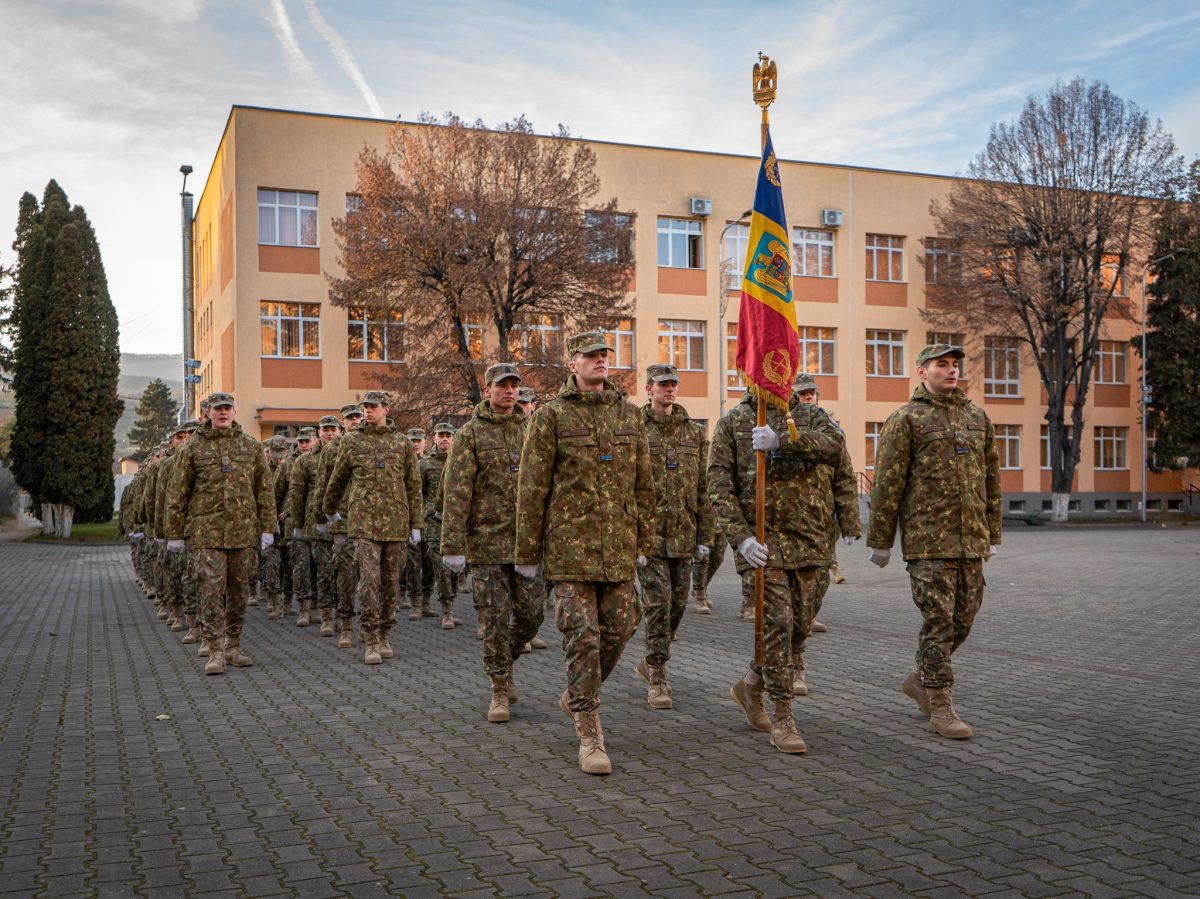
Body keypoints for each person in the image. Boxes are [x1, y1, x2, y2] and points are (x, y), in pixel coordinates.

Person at [515, 332, 655, 775]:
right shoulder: (551, 416)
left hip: (618, 547)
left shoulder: (629, 414)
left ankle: (579, 691)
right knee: (583, 637)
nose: (599, 361)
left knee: (622, 626)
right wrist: (527, 551)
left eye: (603, 355)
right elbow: (532, 487)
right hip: (569, 549)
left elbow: (644, 483)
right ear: (572, 363)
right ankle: (590, 733)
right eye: (590, 355)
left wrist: (645, 541)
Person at [867, 344, 1001, 739]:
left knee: (964, 619)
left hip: (971, 540)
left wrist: (992, 532)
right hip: (928, 541)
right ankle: (940, 705)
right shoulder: (905, 419)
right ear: (922, 371)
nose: (951, 370)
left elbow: (991, 479)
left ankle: (921, 677)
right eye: (941, 364)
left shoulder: (977, 417)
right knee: (938, 621)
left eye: (954, 364)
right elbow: (888, 482)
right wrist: (881, 540)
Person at [708, 375, 847, 755]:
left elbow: (836, 447)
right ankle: (783, 716)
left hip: (811, 541)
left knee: (798, 629)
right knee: (778, 626)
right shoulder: (732, 423)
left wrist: (783, 440)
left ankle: (750, 684)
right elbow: (718, 486)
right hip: (762, 544)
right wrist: (741, 538)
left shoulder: (812, 416)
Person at [441, 362, 544, 723]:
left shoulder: (533, 430)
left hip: (527, 544)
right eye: (502, 385)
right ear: (487, 391)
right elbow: (456, 490)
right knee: (495, 621)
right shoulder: (469, 434)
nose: (510, 390)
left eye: (514, 385)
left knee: (532, 616)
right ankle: (499, 686)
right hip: (486, 543)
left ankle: (506, 661)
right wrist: (452, 544)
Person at [162, 393, 276, 675]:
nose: (223, 413)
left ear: (234, 412)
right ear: (207, 414)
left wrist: (268, 527)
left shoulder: (250, 446)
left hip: (242, 531)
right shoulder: (192, 448)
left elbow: (264, 490)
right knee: (210, 591)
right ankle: (214, 649)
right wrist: (173, 533)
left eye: (227, 409)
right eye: (217, 409)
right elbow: (177, 493)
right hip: (206, 532)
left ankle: (233, 645)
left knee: (239, 591)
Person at [633, 363, 714, 709]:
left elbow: (703, 488)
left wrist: (705, 536)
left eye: (673, 384)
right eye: (662, 384)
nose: (669, 389)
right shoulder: (633, 428)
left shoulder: (693, 433)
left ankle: (653, 659)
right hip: (649, 536)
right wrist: (632, 536)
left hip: (683, 534)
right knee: (658, 605)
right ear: (649, 389)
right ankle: (658, 675)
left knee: (677, 607)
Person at [322, 391, 422, 665]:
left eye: (373, 406)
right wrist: (329, 509)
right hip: (364, 522)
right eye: (365, 407)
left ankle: (386, 633)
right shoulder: (352, 441)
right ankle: (371, 639)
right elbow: (338, 478)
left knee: (390, 583)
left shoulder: (402, 443)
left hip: (395, 522)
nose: (368, 411)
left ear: (386, 409)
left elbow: (413, 486)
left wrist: (416, 524)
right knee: (368, 582)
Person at [787, 373, 861, 694]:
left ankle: (803, 628)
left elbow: (844, 476)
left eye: (811, 393)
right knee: (782, 607)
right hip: (784, 527)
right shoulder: (781, 423)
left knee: (814, 591)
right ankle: (791, 664)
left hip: (819, 526)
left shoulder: (829, 427)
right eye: (802, 393)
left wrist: (850, 523)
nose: (808, 398)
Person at [316, 404, 363, 648]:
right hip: (342, 520)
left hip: (370, 521)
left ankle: (368, 623)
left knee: (370, 577)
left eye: (358, 417)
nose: (355, 421)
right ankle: (345, 624)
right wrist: (321, 517)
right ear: (342, 422)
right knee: (345, 575)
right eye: (349, 418)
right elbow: (323, 485)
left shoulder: (373, 444)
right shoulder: (333, 449)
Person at [289, 417, 341, 636]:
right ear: (319, 432)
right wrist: (297, 524)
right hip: (316, 525)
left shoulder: (345, 453)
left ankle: (341, 613)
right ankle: (321, 613)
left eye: (333, 429)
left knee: (342, 572)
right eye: (325, 430)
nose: (329, 433)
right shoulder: (305, 460)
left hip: (343, 522)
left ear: (339, 431)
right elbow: (297, 495)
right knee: (320, 571)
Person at [417, 423, 461, 628]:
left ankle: (450, 603)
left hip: (457, 523)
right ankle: (447, 611)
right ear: (434, 438)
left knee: (455, 569)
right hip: (433, 523)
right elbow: (419, 494)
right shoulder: (425, 464)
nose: (444, 439)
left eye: (448, 435)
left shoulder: (461, 460)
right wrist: (418, 523)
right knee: (441, 567)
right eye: (440, 435)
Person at [260, 436, 291, 619]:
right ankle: (274, 600)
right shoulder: (263, 469)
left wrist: (288, 510)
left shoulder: (291, 467)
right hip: (269, 524)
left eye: (281, 454)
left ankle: (288, 601)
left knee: (289, 564)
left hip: (287, 523)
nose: (278, 459)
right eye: (274, 454)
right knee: (271, 564)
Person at [402, 427, 432, 613]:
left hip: (428, 520)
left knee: (429, 563)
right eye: (412, 440)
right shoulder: (403, 463)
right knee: (411, 562)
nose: (415, 444)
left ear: (424, 443)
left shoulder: (429, 463)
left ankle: (426, 601)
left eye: (418, 440)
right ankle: (413, 600)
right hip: (409, 518)